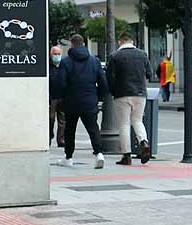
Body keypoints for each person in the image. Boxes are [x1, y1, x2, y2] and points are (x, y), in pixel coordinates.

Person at [52, 34, 108, 169]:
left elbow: (60, 83)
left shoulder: (66, 62)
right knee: (93, 128)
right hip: (89, 100)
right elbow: (102, 82)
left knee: (69, 130)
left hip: (71, 101)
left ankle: (69, 157)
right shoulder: (94, 61)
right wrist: (99, 97)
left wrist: (59, 97)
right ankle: (99, 153)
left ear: (71, 44)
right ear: (83, 44)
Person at [107, 32, 152, 166]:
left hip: (122, 94)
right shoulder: (143, 54)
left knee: (124, 124)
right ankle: (143, 141)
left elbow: (109, 77)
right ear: (132, 41)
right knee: (138, 120)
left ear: (120, 42)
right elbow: (149, 74)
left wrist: (113, 90)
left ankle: (126, 155)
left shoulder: (115, 56)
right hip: (140, 93)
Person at [48, 44, 65, 149]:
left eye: (58, 54)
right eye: (55, 54)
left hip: (62, 96)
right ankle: (49, 136)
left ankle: (61, 139)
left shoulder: (64, 65)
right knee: (51, 118)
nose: (57, 56)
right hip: (51, 97)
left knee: (62, 120)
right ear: (51, 54)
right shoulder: (47, 66)